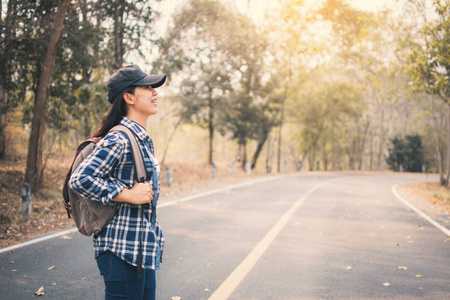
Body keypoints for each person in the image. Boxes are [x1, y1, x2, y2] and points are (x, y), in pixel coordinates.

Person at [69, 65, 166, 300]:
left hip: (141, 247)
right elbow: (80, 179)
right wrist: (127, 194)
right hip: (121, 250)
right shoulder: (119, 138)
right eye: (147, 87)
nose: (155, 92)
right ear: (129, 97)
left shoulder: (141, 139)